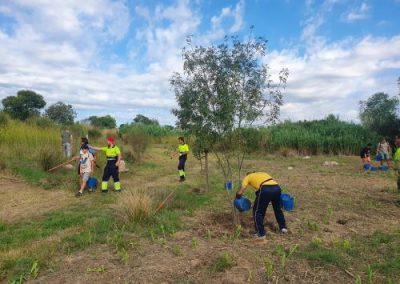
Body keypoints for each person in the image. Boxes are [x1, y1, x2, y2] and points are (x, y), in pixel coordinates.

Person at [235, 171, 287, 241]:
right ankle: (283, 228)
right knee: (278, 209)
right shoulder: (263, 174)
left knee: (257, 212)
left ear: (248, 174)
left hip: (265, 189)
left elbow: (242, 189)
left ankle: (260, 234)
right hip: (277, 188)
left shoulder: (248, 177)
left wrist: (237, 196)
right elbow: (261, 196)